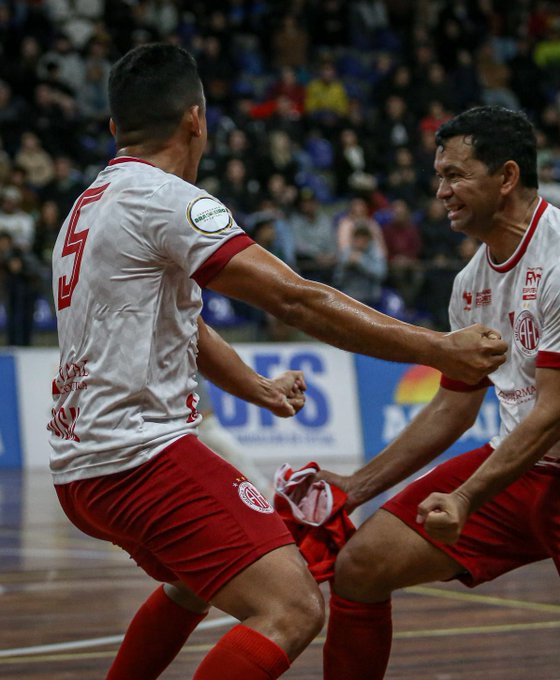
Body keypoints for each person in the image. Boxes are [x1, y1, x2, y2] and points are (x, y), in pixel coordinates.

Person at [48, 45, 506, 680]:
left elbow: (184, 325)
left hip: (80, 470)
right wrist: (438, 348)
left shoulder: (87, 207)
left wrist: (258, 389)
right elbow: (297, 298)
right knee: (291, 607)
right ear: (196, 120)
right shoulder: (167, 200)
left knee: (194, 581)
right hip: (140, 460)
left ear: (114, 129)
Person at [318, 106, 560, 680]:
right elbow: (454, 406)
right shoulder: (470, 285)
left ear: (506, 177)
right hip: (525, 470)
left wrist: (464, 499)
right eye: (440, 176)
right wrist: (355, 487)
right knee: (360, 566)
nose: (442, 191)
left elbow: (557, 412)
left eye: (456, 175)